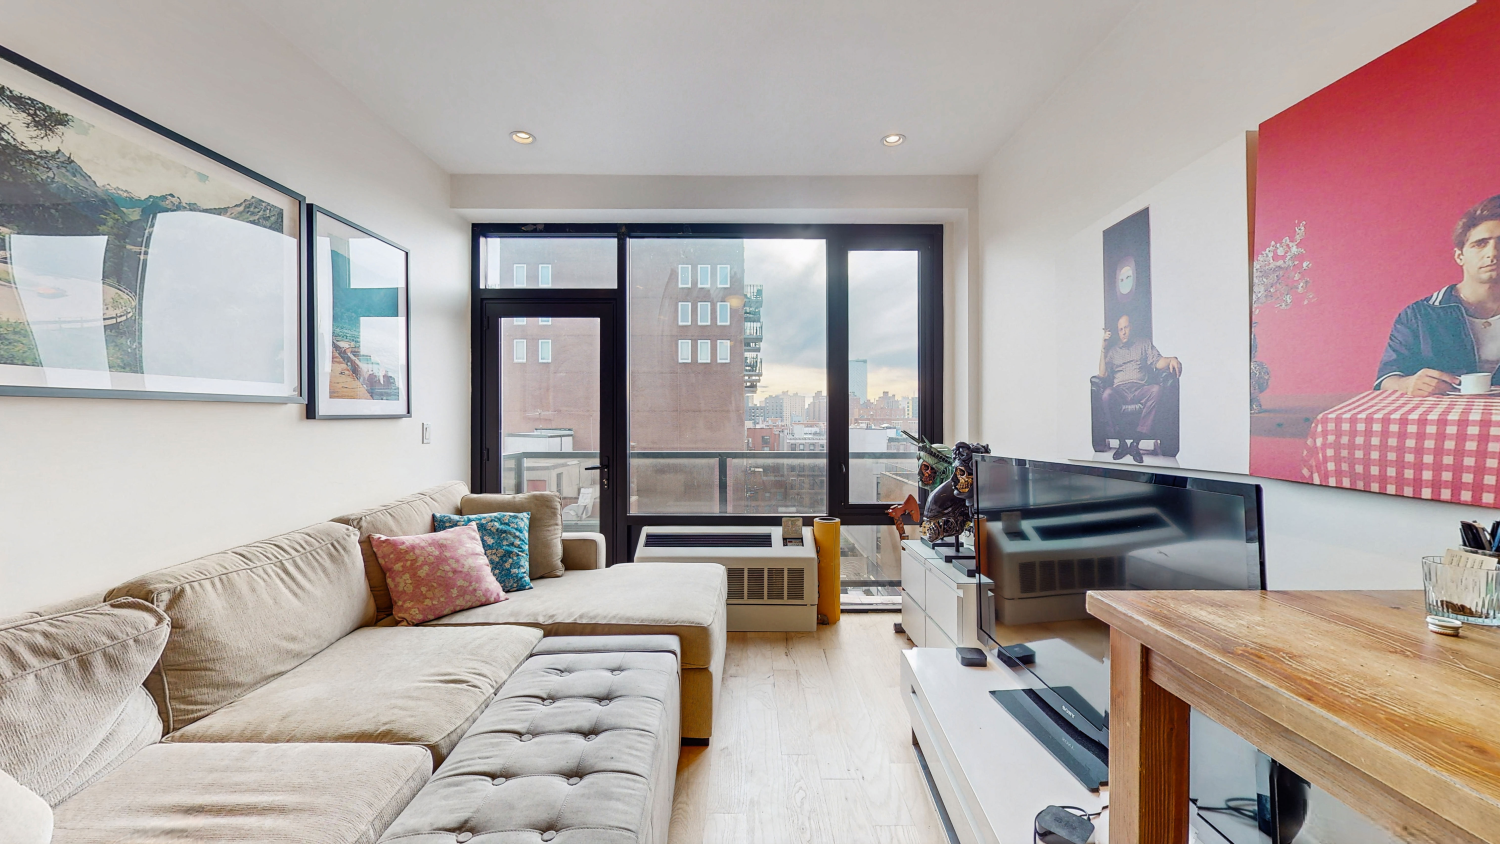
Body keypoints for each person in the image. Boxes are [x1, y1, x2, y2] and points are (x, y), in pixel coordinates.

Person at [1377, 195, 1500, 396]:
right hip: (1437, 423)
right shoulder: (1419, 315)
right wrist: (1407, 384)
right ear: (1460, 256)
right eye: (1480, 244)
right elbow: (1387, 378)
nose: (1493, 253)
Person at [1098, 314, 1183, 462]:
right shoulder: (1113, 351)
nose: (1123, 332)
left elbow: (1158, 361)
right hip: (1120, 390)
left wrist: (1172, 359)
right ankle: (1122, 443)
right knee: (1106, 394)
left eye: (1126, 327)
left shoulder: (1144, 344)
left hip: (1139, 389)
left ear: (1131, 327)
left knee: (1156, 390)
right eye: (1120, 329)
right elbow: (1102, 373)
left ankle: (1136, 443)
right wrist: (1103, 347)